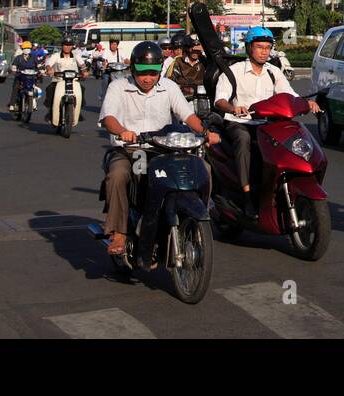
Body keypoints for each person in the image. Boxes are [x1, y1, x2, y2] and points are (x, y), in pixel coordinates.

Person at [99, 41, 220, 257]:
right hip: (131, 149)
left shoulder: (169, 87)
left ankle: (196, 214)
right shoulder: (118, 86)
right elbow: (108, 118)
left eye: (153, 73)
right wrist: (123, 131)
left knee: (203, 168)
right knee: (118, 175)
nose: (148, 79)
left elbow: (187, 114)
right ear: (134, 70)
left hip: (164, 149)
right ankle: (118, 231)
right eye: (143, 73)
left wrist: (205, 133)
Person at [213, 26, 319, 219]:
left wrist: (306, 103)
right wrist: (233, 108)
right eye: (259, 47)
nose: (264, 51)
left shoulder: (273, 72)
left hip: (267, 123)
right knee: (244, 140)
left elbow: (289, 94)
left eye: (267, 47)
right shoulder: (233, 72)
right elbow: (220, 99)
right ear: (249, 48)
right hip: (240, 122)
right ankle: (246, 195)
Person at [44, 36, 87, 125]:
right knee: (50, 90)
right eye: (65, 45)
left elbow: (82, 64)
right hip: (58, 81)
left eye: (69, 45)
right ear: (62, 46)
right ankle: (50, 112)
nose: (67, 47)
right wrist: (49, 69)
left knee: (82, 90)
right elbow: (49, 64)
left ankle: (78, 111)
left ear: (72, 46)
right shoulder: (56, 55)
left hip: (73, 81)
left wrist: (85, 71)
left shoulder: (76, 56)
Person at [7, 39, 45, 112]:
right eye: (25, 48)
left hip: (31, 77)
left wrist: (42, 70)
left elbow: (39, 65)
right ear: (22, 49)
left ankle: (34, 103)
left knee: (36, 89)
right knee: (15, 87)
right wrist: (14, 69)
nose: (27, 50)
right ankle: (12, 104)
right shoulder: (18, 58)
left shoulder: (34, 57)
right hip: (20, 76)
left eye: (28, 48)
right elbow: (14, 65)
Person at [166, 34, 206, 102]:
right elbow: (170, 81)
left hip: (202, 99)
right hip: (181, 99)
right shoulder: (178, 61)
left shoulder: (206, 62)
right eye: (192, 48)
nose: (195, 52)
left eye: (197, 49)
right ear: (187, 48)